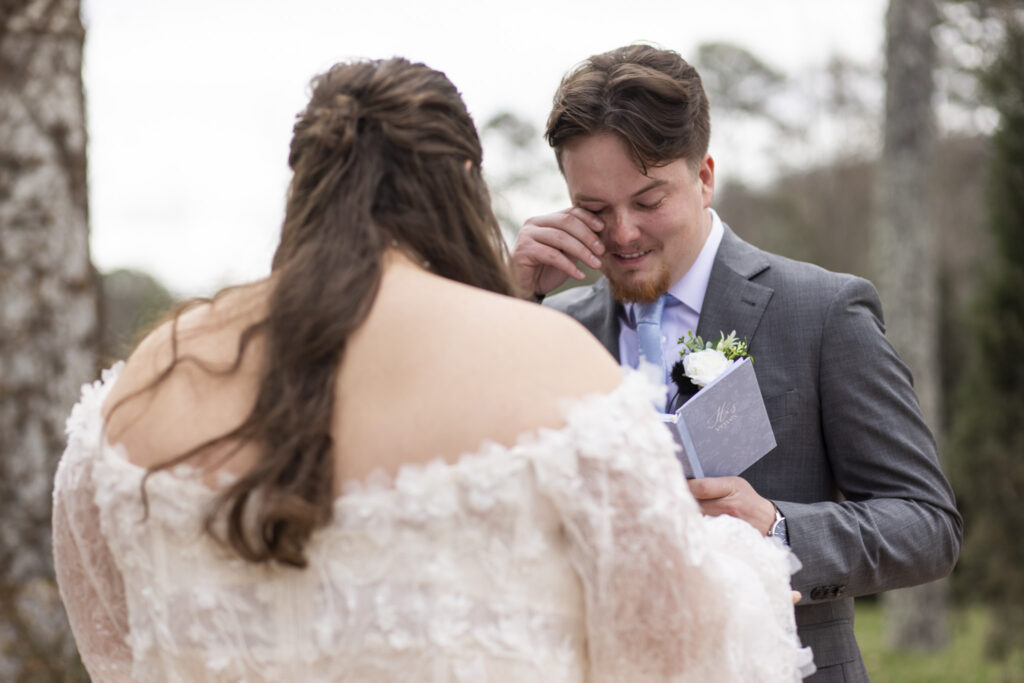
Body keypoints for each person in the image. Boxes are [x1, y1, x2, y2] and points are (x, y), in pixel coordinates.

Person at [52, 57, 813, 681]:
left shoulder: (147, 380)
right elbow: (674, 657)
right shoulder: (552, 362)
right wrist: (743, 565)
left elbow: (114, 649)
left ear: (305, 182)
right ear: (464, 179)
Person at [511, 44, 962, 683]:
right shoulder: (546, 329)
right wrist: (508, 300)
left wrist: (777, 528)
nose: (623, 234)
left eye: (647, 201)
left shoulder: (824, 311)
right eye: (594, 210)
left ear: (704, 178)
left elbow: (927, 525)